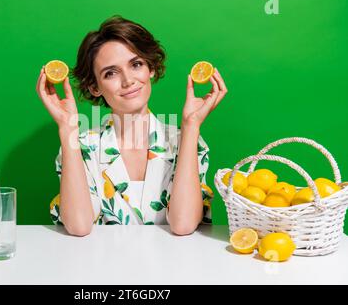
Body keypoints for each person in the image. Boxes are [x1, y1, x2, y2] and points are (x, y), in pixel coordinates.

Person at [35, 15, 227, 236]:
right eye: (110, 73)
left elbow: (183, 225)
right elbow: (79, 226)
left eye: (136, 64)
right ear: (95, 87)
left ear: (151, 68)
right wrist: (67, 127)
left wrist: (191, 125)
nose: (128, 80)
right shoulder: (81, 146)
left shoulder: (188, 141)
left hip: (173, 268)